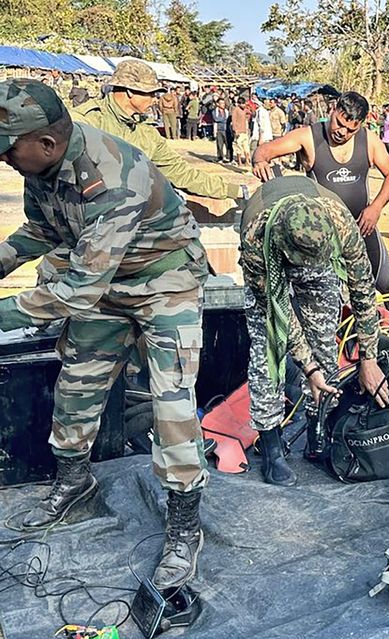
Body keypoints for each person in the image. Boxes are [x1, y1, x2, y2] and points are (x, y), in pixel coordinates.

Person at [0, 78, 207, 588]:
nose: (5, 161)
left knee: (172, 404)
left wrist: (4, 313)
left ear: (45, 143)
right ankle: (74, 483)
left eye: (8, 152)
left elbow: (75, 290)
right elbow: (42, 231)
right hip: (105, 286)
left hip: (165, 284)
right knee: (76, 386)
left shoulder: (112, 175)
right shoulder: (43, 164)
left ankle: (184, 524)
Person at [239, 176, 389, 486]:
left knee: (324, 341)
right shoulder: (255, 236)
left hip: (317, 255)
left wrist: (369, 358)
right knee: (268, 349)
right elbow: (278, 313)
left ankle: (317, 428)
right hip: (271, 257)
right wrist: (308, 368)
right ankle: (270, 444)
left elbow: (362, 289)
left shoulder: (340, 223)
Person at [250, 92, 389, 315]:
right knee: (333, 298)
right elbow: (264, 151)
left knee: (388, 284)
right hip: (323, 235)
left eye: (351, 129)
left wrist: (376, 208)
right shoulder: (308, 137)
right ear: (333, 111)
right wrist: (259, 161)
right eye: (339, 124)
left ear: (360, 125)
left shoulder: (369, 139)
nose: (342, 132)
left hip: (362, 226)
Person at [70, 61, 243, 204]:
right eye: (150, 94)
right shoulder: (86, 121)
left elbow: (179, 171)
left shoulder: (145, 131)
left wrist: (231, 190)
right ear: (130, 91)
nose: (155, 100)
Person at [231, 99, 251, 166]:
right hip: (238, 132)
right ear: (239, 104)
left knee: (246, 148)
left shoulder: (245, 109)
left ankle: (247, 161)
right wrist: (235, 131)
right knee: (239, 148)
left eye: (244, 104)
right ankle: (239, 161)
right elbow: (233, 121)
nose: (243, 105)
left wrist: (249, 106)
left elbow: (252, 113)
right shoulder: (236, 110)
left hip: (245, 131)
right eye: (242, 104)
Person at [212, 98, 231, 163]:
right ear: (218, 104)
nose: (223, 105)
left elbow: (228, 119)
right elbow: (216, 119)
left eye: (224, 103)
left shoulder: (226, 111)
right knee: (220, 145)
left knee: (228, 144)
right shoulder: (215, 111)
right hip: (219, 130)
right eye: (222, 103)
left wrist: (223, 119)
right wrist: (224, 119)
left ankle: (228, 157)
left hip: (226, 129)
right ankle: (220, 157)